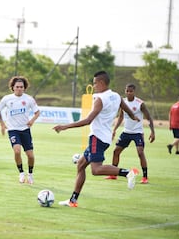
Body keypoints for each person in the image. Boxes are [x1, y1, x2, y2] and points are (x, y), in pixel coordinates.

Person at [53, 71, 140, 208]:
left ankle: (127, 173)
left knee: (96, 170)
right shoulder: (116, 96)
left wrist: (65, 126)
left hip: (97, 137)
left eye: (94, 83)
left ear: (101, 83)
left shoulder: (99, 99)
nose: (93, 86)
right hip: (104, 138)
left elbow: (88, 120)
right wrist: (133, 116)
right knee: (81, 165)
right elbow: (126, 109)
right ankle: (73, 200)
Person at [105, 84, 155, 184]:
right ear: (125, 91)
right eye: (127, 91)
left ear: (134, 92)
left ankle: (145, 177)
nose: (128, 93)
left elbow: (149, 117)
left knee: (140, 153)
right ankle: (113, 174)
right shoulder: (123, 102)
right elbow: (121, 117)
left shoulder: (140, 103)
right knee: (116, 151)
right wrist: (114, 129)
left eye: (130, 91)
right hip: (126, 132)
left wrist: (152, 132)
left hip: (137, 133)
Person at [0, 76, 40, 184]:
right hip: (12, 130)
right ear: (13, 87)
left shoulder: (29, 99)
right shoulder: (7, 99)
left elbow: (37, 112)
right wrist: (2, 124)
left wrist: (32, 121)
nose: (19, 89)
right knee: (17, 151)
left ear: (24, 88)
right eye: (17, 87)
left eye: (21, 87)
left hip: (25, 130)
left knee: (30, 155)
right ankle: (21, 173)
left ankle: (30, 174)